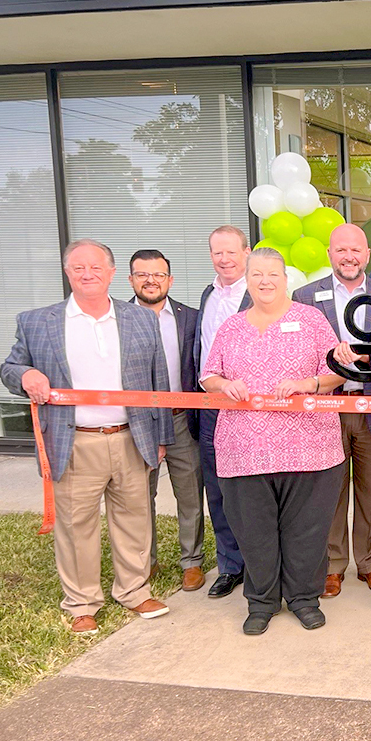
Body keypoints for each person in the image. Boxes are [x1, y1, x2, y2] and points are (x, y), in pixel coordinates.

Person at [1, 239, 174, 634]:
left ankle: (134, 590)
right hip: (74, 440)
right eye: (78, 267)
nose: (87, 273)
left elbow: (157, 381)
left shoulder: (140, 319)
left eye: (96, 267)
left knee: (134, 518)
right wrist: (25, 376)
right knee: (77, 524)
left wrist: (162, 436)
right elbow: (10, 367)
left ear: (112, 273)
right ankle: (82, 602)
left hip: (132, 436)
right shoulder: (37, 321)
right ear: (67, 272)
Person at [200, 248, 346, 635]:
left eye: (273, 274)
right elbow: (208, 375)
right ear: (247, 280)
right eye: (257, 274)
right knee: (255, 531)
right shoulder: (231, 327)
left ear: (286, 279)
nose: (265, 281)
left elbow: (336, 370)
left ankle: (303, 598)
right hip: (244, 450)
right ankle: (262, 601)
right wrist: (224, 384)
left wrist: (309, 384)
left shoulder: (311, 319)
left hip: (309, 447)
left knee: (306, 530)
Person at [293, 224, 371, 598]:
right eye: (341, 250)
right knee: (330, 490)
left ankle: (370, 564)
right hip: (324, 408)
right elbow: (299, 353)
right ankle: (333, 566)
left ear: (367, 254)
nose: (349, 256)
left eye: (355, 250)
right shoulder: (304, 297)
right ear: (330, 254)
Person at [127, 249, 206, 592]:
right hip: (137, 422)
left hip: (180, 419)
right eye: (142, 274)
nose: (150, 280)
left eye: (158, 274)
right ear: (131, 279)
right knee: (139, 497)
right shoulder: (119, 319)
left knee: (190, 495)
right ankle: (147, 560)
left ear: (170, 280)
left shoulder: (190, 317)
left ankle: (192, 561)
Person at [195, 225, 252, 599]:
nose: (225, 259)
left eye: (231, 252)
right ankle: (230, 566)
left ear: (247, 253)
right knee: (217, 489)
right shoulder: (208, 295)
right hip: (212, 407)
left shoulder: (262, 291)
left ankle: (261, 562)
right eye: (218, 253)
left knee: (254, 489)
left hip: (252, 407)